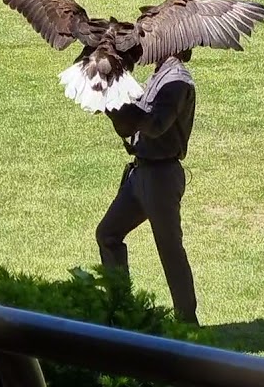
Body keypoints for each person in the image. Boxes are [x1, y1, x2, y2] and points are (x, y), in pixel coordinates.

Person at [97, 49, 199, 326]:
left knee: (169, 248)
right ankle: (121, 310)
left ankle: (188, 323)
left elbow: (154, 125)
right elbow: (133, 123)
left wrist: (117, 108)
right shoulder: (160, 75)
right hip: (141, 173)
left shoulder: (176, 81)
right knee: (108, 234)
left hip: (160, 177)